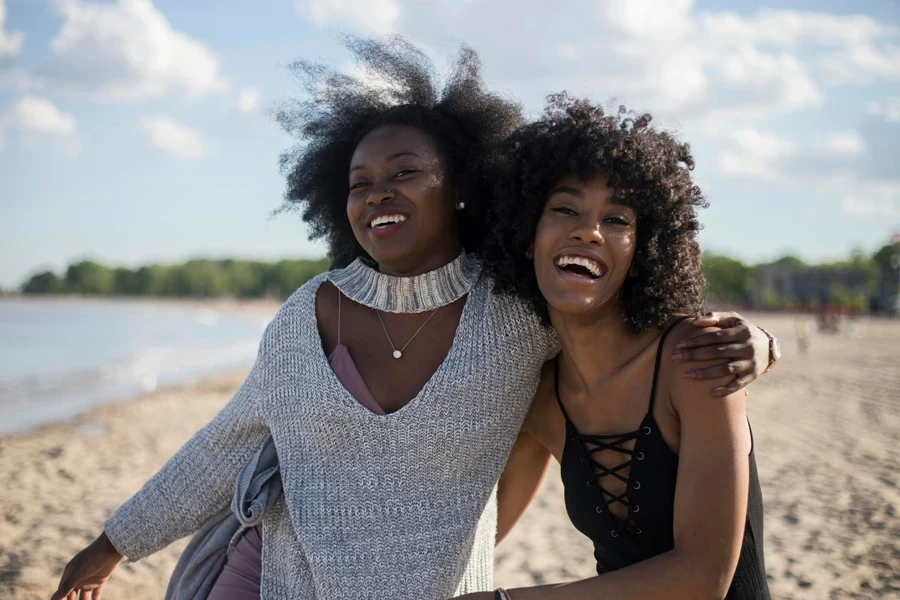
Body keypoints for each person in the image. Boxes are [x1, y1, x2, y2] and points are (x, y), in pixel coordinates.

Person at [52, 39, 774, 600]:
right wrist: (110, 545)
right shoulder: (305, 317)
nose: (378, 195)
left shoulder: (519, 317)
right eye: (359, 183)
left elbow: (624, 329)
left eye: (404, 173)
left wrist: (761, 343)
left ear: (462, 190)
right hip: (276, 580)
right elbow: (223, 447)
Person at [462, 96, 771, 599]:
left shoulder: (694, 360)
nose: (588, 230)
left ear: (645, 250)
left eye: (618, 220)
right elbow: (472, 533)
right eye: (565, 209)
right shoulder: (538, 396)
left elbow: (703, 577)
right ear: (524, 236)